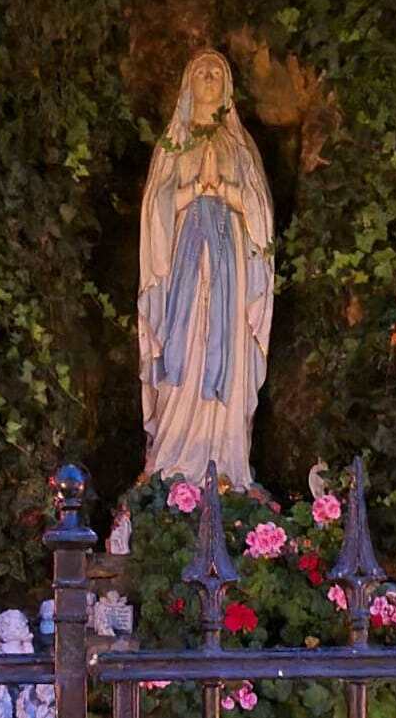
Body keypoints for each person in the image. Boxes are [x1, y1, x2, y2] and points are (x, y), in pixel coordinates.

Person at [138, 49, 274, 490]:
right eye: (202, 71)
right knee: (184, 343)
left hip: (229, 268)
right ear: (188, 84)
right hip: (184, 265)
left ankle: (225, 464)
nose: (211, 76)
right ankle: (173, 462)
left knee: (227, 345)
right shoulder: (173, 145)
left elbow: (261, 214)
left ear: (228, 86)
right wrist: (197, 188)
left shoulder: (240, 146)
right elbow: (154, 211)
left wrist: (228, 192)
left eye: (218, 71)